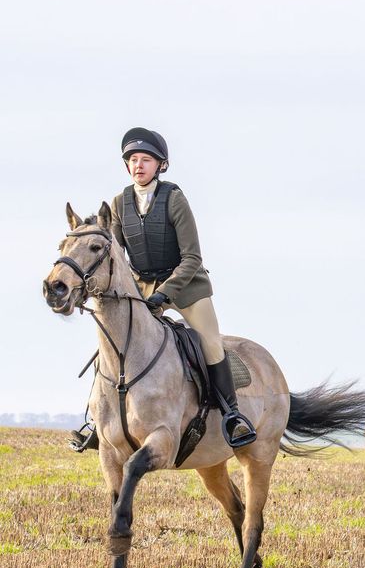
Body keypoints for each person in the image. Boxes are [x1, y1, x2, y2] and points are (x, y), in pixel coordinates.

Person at [69, 127, 254, 452]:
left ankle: (231, 416)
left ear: (161, 165)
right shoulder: (118, 203)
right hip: (140, 285)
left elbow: (192, 257)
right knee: (113, 340)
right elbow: (117, 255)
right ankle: (99, 421)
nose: (138, 165)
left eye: (146, 160)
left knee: (210, 344)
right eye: (133, 160)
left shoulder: (175, 199)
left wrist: (163, 294)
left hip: (186, 284)